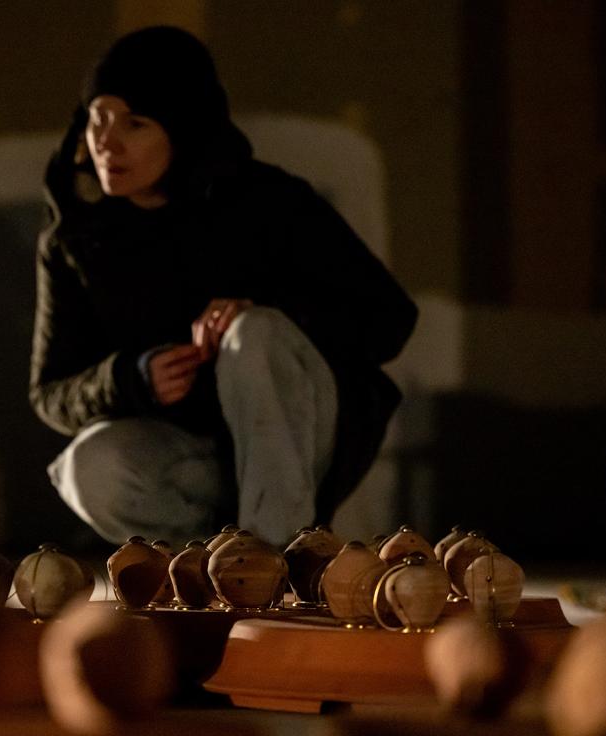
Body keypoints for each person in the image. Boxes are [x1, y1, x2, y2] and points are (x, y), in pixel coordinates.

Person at [29, 26, 417, 548]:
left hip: (301, 433)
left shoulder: (271, 203)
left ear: (181, 131)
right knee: (89, 465)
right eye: (97, 120)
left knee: (251, 333)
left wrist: (268, 313)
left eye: (135, 124)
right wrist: (131, 377)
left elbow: (389, 319)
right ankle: (221, 566)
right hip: (196, 457)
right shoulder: (76, 239)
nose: (106, 142)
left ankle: (275, 561)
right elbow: (50, 391)